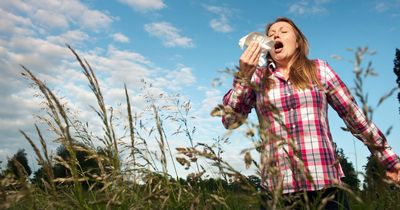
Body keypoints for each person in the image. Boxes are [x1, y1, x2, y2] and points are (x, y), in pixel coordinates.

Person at [221, 17, 400, 209]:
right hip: (277, 191)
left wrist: (389, 160)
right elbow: (230, 120)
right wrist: (243, 77)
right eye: (271, 34)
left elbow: (355, 117)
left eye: (283, 31)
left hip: (325, 186)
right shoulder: (257, 77)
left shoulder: (319, 70)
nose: (275, 35)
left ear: (297, 42)